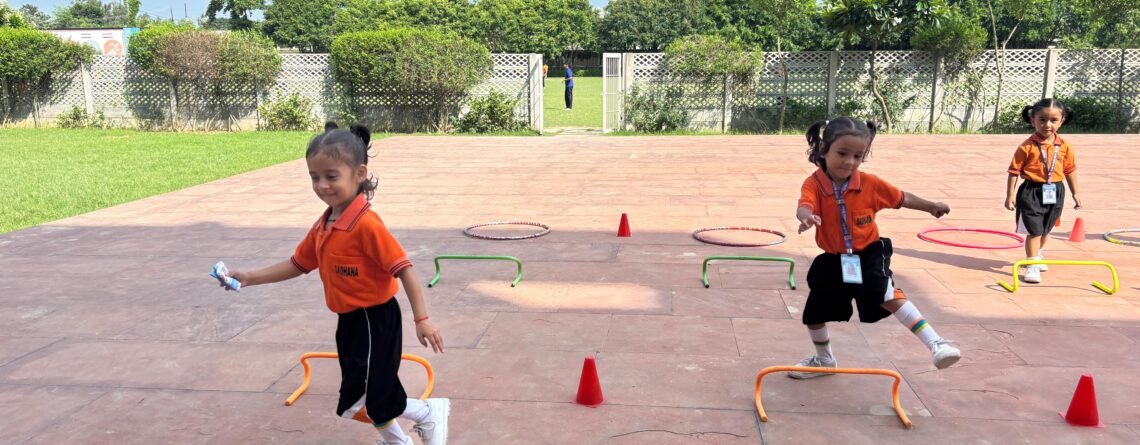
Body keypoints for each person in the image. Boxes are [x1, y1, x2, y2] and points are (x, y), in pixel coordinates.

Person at [218, 123, 449, 445]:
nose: (322, 185)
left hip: (375, 319)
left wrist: (422, 320)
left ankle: (416, 423)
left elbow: (404, 269)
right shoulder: (324, 224)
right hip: (350, 321)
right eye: (314, 177)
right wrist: (249, 277)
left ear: (359, 174)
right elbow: (298, 264)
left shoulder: (366, 225)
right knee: (358, 399)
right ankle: (419, 419)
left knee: (369, 398)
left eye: (331, 176)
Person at [792, 117, 961, 378]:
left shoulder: (870, 184)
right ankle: (824, 360)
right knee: (814, 312)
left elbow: (902, 198)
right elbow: (804, 204)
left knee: (886, 294)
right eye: (842, 153)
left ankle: (937, 344)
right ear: (824, 149)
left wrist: (931, 206)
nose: (849, 162)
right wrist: (807, 217)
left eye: (858, 156)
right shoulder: (813, 183)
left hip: (869, 254)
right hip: (834, 259)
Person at [1005, 98, 1081, 284]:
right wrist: (1010, 195)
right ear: (1033, 121)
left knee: (1046, 229)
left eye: (1053, 120)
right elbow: (1013, 172)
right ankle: (1031, 264)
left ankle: (1037, 254)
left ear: (1061, 121)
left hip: (1055, 190)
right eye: (1042, 120)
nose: (1047, 125)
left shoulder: (1064, 146)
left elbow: (1069, 170)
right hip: (1031, 191)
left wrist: (1076, 193)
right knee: (1034, 230)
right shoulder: (1026, 146)